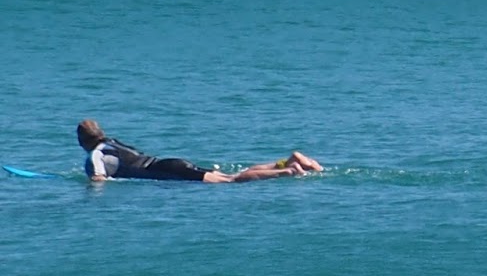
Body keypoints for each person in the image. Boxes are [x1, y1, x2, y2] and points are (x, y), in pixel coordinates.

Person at [76, 119, 323, 183]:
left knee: (232, 181)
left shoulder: (96, 154)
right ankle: (286, 161)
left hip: (168, 172)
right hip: (166, 163)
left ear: (82, 139)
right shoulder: (114, 142)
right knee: (229, 175)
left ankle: (288, 171)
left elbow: (99, 179)